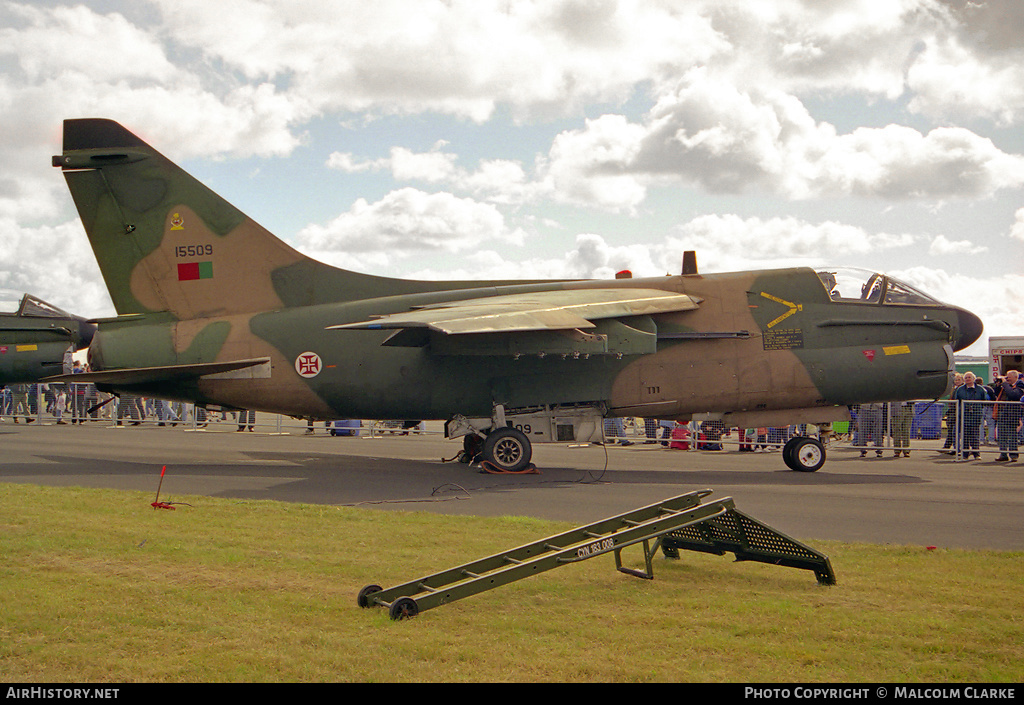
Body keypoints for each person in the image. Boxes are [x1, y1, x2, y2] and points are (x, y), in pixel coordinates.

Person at [953, 373, 987, 459]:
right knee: (964, 435)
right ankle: (965, 454)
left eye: (969, 377)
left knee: (975, 435)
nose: (968, 379)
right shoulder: (960, 389)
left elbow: (984, 400)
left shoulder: (980, 389)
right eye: (966, 378)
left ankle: (976, 453)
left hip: (975, 416)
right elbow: (957, 401)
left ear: (973, 379)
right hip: (964, 416)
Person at [993, 370, 1023, 462]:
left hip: (1012, 414)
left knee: (1012, 436)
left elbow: (1013, 395)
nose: (1007, 379)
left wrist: (1005, 384)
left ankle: (1013, 455)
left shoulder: (1020, 385)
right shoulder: (1005, 386)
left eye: (1008, 377)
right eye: (1006, 377)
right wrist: (998, 385)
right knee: (1001, 435)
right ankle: (1003, 454)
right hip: (1002, 414)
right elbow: (996, 394)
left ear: (1015, 377)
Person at [941, 373, 964, 454]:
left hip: (958, 412)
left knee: (955, 431)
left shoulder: (962, 389)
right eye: (956, 380)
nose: (957, 381)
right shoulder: (954, 388)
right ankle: (948, 447)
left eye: (959, 380)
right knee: (951, 430)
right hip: (952, 412)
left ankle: (954, 448)